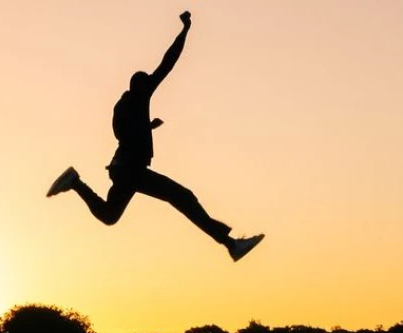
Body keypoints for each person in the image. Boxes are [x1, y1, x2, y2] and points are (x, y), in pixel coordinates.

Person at [47, 10, 264, 262]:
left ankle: (74, 182)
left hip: (123, 169)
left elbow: (121, 134)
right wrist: (185, 30)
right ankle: (230, 244)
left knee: (109, 215)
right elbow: (168, 62)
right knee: (182, 196)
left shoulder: (124, 104)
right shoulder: (139, 95)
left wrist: (147, 127)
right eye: (147, 81)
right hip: (130, 170)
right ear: (139, 85)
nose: (152, 81)